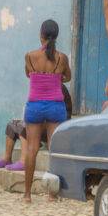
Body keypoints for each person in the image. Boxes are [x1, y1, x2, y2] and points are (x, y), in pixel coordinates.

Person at [21, 19, 70, 203]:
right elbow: (68, 77)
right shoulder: (61, 58)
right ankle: (52, 194)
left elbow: (28, 74)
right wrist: (55, 78)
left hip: (34, 105)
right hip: (55, 106)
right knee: (54, 149)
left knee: (32, 149)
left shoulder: (29, 56)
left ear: (40, 35)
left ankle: (27, 195)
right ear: (56, 36)